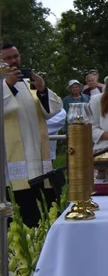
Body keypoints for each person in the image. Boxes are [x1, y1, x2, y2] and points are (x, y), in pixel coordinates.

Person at [1, 43, 61, 226]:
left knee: (44, 213)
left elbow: (53, 110)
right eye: (8, 58)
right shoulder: (4, 85)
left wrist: (42, 90)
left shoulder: (29, 84)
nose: (13, 61)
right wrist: (8, 86)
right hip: (12, 163)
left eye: (16, 56)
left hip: (37, 161)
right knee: (19, 218)